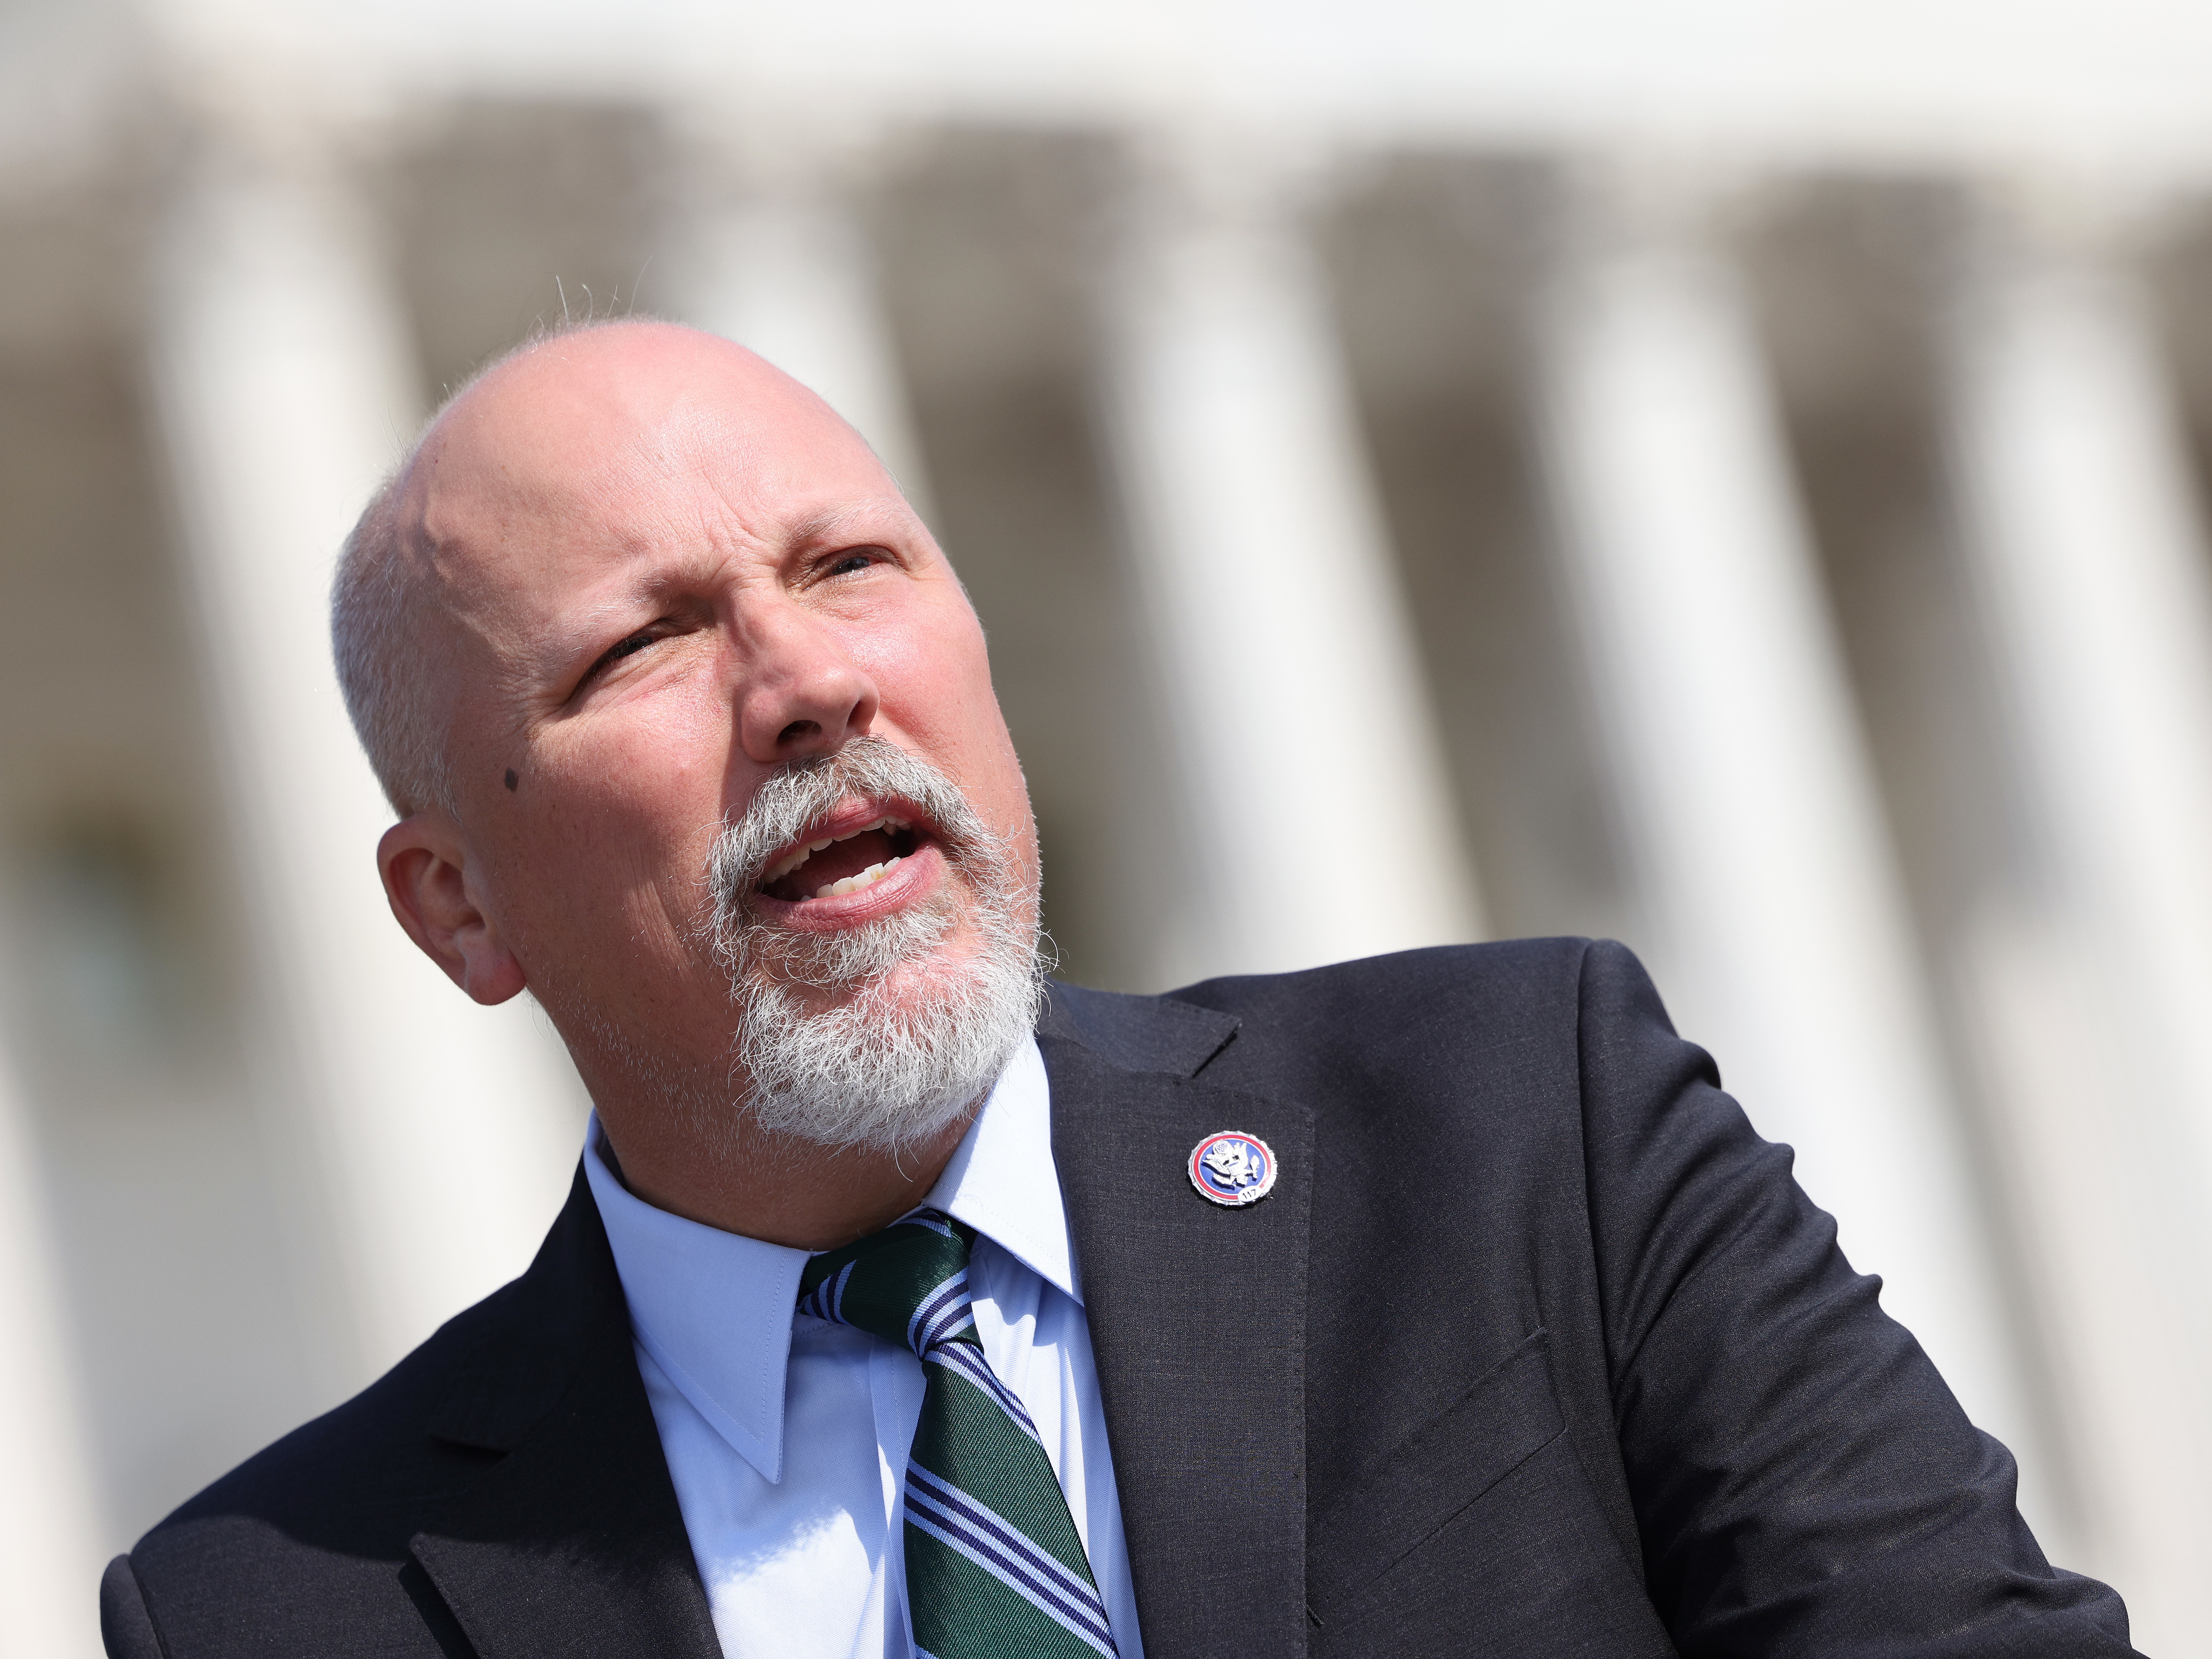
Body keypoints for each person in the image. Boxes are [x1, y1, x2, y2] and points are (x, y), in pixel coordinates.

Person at [100, 320, 2137, 1658]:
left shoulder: (1532, 1134)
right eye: (642, 645)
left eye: (850, 566)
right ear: (459, 905)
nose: (810, 681)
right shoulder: (272, 1609)